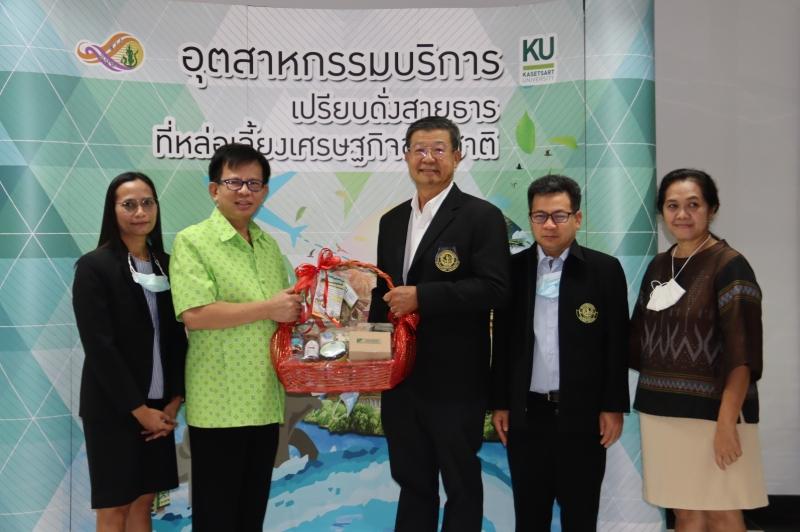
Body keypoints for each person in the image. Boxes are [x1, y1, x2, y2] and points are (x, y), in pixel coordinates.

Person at [368, 116, 510, 532]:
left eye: (438, 149)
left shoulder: (482, 216)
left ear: (458, 156)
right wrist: (368, 352)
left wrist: (423, 297)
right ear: (406, 156)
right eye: (419, 150)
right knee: (412, 482)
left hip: (455, 381)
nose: (428, 158)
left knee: (460, 482)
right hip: (401, 381)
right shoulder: (392, 220)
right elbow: (384, 293)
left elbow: (497, 288)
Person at [169, 143, 303, 532]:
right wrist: (270, 308)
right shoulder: (192, 241)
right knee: (217, 519)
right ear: (214, 189)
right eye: (234, 182)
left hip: (264, 401)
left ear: (264, 192)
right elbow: (195, 315)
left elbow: (281, 314)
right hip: (219, 403)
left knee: (249, 517)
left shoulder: (268, 245)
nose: (245, 191)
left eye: (254, 184)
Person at [490, 174, 631, 532]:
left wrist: (613, 406)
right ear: (530, 218)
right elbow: (502, 342)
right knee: (530, 518)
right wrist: (501, 403)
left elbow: (617, 343)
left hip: (583, 416)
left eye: (559, 215)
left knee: (580, 518)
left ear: (577, 218)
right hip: (528, 416)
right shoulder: (513, 271)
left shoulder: (603, 270)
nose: (549, 225)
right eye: (540, 216)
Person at [629, 169, 767, 531]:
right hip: (662, 414)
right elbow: (639, 338)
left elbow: (743, 354)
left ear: (712, 209)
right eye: (672, 206)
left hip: (715, 415)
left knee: (723, 511)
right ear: (662, 212)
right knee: (685, 514)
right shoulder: (659, 265)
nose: (682, 214)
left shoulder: (730, 265)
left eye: (693, 205)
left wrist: (726, 425)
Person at [73, 172, 187, 532]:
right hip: (115, 407)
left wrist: (174, 401)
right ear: (113, 210)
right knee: (115, 506)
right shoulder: (94, 266)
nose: (140, 212)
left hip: (159, 407)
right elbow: (99, 347)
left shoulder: (167, 264)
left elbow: (177, 338)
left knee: (143, 500)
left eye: (147, 202)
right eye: (129, 204)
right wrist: (139, 411)